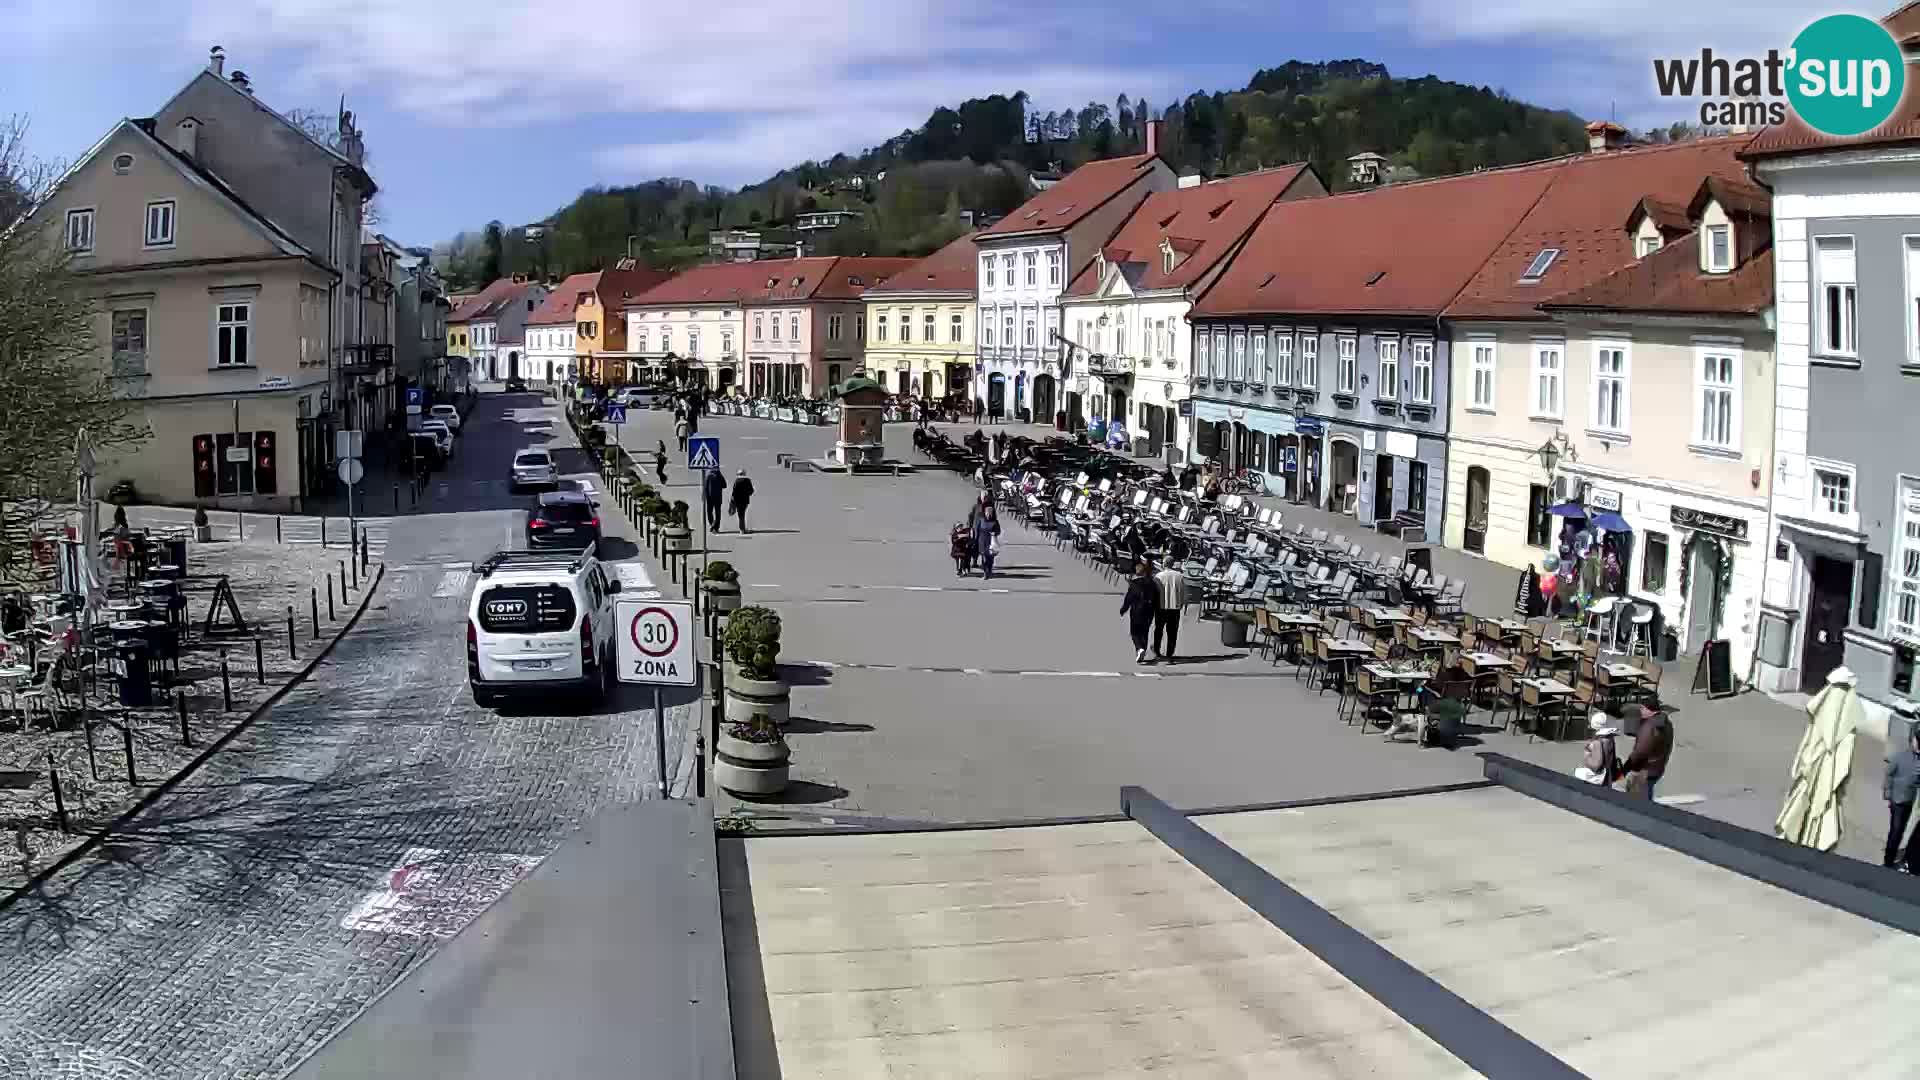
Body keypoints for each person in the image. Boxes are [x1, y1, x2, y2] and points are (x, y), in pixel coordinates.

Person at [1885, 724, 1920, 869]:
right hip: (1897, 800)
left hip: (1909, 801)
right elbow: (1889, 774)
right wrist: (1888, 793)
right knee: (1896, 830)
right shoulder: (1900, 757)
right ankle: (1888, 860)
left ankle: (1891, 858)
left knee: (1900, 831)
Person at [1620, 704, 1673, 799]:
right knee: (1647, 793)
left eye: (1642, 708)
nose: (1640, 711)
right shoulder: (1666, 723)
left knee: (1636, 799)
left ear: (1649, 709)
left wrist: (1626, 768)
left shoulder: (1649, 726)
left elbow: (1640, 752)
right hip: (1657, 768)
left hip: (1643, 770)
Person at [1120, 561, 1157, 663]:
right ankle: (1143, 649)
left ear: (1136, 572)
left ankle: (1139, 648)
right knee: (1145, 631)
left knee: (1134, 632)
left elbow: (1129, 598)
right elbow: (1156, 598)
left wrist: (1123, 609)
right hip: (1149, 611)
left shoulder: (1134, 583)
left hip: (1136, 611)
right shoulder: (1152, 583)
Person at [1575, 713, 1621, 786]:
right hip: (1608, 776)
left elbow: (1596, 766)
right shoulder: (1610, 739)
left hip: (1599, 779)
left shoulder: (1597, 742)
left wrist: (1587, 757)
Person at [1152, 561, 1186, 660]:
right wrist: (1181, 604)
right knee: (1172, 632)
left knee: (1158, 630)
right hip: (1175, 607)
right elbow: (1182, 591)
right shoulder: (1179, 576)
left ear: (1164, 564)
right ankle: (1169, 652)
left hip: (1161, 606)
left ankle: (1157, 650)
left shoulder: (1159, 576)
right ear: (1172, 564)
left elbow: (1155, 592)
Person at [971, 504, 1001, 578]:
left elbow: (998, 531)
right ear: (985, 513)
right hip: (982, 541)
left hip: (991, 542)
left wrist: (995, 533)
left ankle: (989, 570)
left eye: (990, 513)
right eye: (987, 513)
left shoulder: (995, 522)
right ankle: (985, 572)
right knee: (984, 557)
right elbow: (977, 530)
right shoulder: (981, 520)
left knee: (990, 558)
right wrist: (975, 540)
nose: (988, 514)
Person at [729, 469, 755, 533]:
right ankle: (742, 529)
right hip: (745, 501)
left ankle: (742, 529)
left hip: (737, 501)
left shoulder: (736, 481)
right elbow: (751, 491)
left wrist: (732, 500)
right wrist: (747, 494)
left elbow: (734, 492)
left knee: (740, 515)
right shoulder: (747, 480)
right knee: (742, 515)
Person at [702, 466, 726, 533]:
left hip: (709, 498)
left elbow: (705, 487)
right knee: (718, 513)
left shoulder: (708, 476)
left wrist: (703, 496)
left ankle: (712, 525)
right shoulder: (719, 476)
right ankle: (716, 527)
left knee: (709, 512)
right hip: (718, 498)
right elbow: (724, 485)